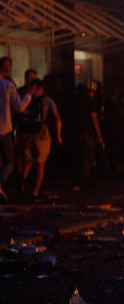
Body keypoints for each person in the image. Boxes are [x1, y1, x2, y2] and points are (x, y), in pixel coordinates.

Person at [16, 79, 61, 200]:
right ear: (43, 88)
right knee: (40, 163)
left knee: (28, 161)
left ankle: (21, 186)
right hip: (42, 135)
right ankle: (35, 191)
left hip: (27, 134)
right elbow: (57, 119)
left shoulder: (26, 99)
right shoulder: (48, 100)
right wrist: (58, 136)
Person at [0, 57, 36, 202]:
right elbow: (19, 106)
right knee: (10, 161)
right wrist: (29, 95)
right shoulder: (8, 85)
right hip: (4, 129)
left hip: (6, 128)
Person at [74, 81, 105, 188]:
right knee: (88, 157)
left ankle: (80, 180)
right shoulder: (91, 102)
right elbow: (94, 119)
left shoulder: (78, 101)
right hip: (88, 132)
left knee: (82, 156)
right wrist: (100, 136)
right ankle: (84, 181)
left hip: (80, 131)